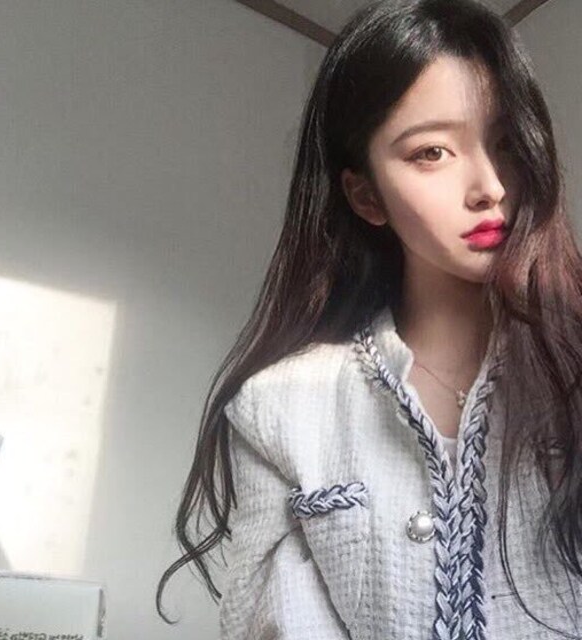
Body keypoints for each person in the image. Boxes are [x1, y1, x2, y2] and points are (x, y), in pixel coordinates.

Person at [157, 0, 582, 638]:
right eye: (432, 152)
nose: (490, 185)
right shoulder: (281, 406)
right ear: (365, 195)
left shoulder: (568, 376)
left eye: (505, 143)